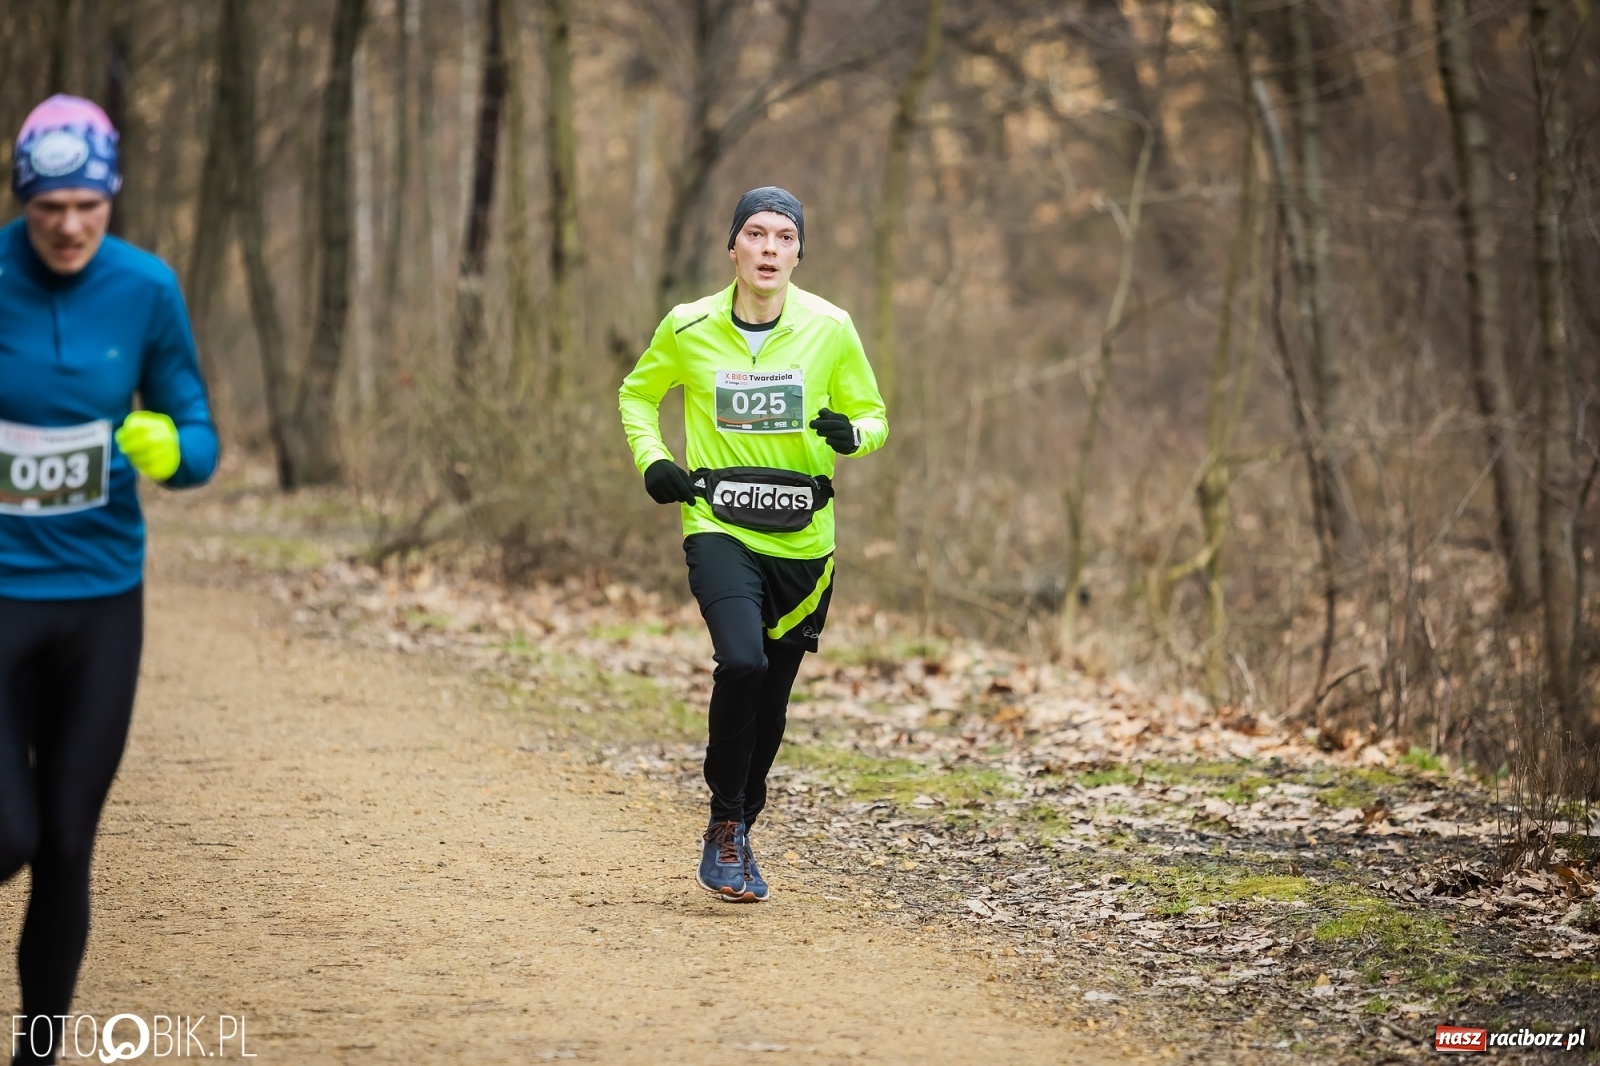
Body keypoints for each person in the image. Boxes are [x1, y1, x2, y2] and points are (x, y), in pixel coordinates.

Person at [0, 95, 218, 1065]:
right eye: (50, 207)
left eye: (89, 204)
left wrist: (173, 447)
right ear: (23, 201)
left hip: (99, 603)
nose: (71, 225)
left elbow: (201, 433)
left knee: (67, 845)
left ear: (114, 198)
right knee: (6, 831)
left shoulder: (147, 288)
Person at [619, 187, 887, 902]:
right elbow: (637, 395)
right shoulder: (688, 326)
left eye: (785, 237)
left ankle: (741, 821)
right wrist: (653, 460)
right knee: (740, 660)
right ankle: (726, 824)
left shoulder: (832, 327)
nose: (770, 248)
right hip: (718, 523)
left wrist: (851, 437)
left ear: (800, 252)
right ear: (733, 247)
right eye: (756, 234)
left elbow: (873, 416)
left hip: (804, 540)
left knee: (771, 700)